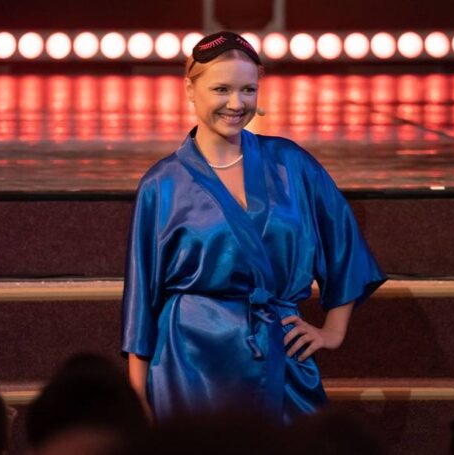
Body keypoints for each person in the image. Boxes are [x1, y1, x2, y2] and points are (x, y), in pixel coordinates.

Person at [121, 31, 387, 425]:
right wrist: (137, 396)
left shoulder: (290, 163)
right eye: (221, 89)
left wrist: (333, 330)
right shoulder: (162, 184)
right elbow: (142, 296)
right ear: (190, 90)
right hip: (188, 363)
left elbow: (344, 245)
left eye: (248, 89)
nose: (236, 103)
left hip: (278, 348)